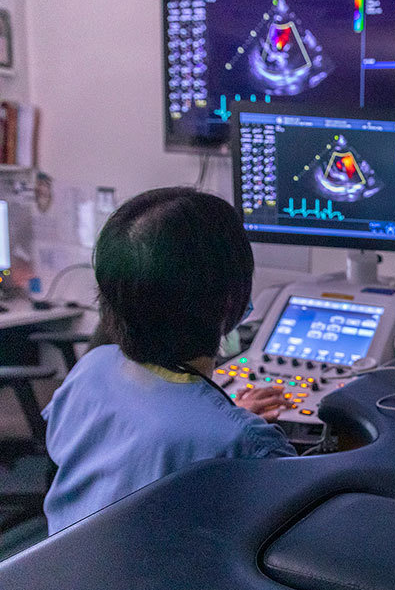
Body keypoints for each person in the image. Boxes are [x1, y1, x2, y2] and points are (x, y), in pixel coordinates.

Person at [43, 187, 295, 535]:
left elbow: (142, 437)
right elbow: (296, 530)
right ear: (229, 301)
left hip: (61, 567)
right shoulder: (246, 444)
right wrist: (229, 425)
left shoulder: (91, 369)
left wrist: (223, 418)